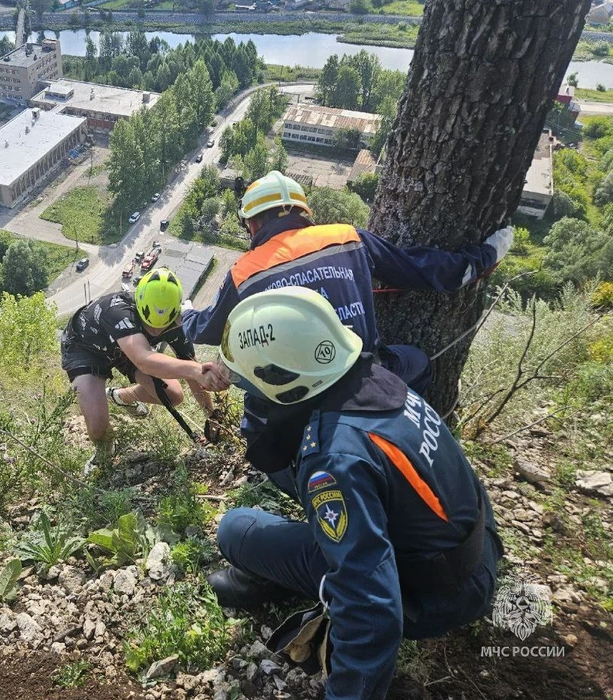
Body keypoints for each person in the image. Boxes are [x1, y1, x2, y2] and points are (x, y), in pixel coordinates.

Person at [208, 287, 503, 700]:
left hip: (435, 596)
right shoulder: (375, 379)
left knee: (236, 528)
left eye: (248, 380)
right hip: (476, 550)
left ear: (282, 377)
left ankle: (287, 580)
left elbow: (371, 607)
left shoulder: (332, 458)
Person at [181, 171, 513, 483]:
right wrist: (486, 255)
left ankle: (297, 480)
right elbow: (424, 269)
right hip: (366, 383)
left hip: (296, 406)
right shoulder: (348, 238)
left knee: (257, 420)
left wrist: (186, 313)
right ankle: (406, 431)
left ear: (252, 223)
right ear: (303, 212)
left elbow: (206, 329)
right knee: (418, 362)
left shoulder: (244, 272)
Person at [60, 267, 226, 471]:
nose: (156, 330)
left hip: (130, 348)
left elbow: (192, 372)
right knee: (98, 428)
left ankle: (119, 396)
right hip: (87, 348)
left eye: (162, 326)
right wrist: (195, 370)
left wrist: (211, 416)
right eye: (149, 324)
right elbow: (144, 361)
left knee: (173, 396)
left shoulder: (177, 322)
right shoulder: (117, 310)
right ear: (139, 305)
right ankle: (103, 454)